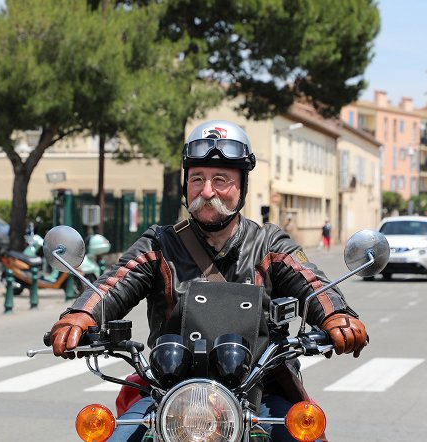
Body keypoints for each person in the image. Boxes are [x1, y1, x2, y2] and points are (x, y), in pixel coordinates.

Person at [50, 120, 368, 442]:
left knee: (306, 435)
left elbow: (310, 281)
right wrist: (82, 314)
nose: (206, 191)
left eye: (220, 180)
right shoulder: (159, 244)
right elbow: (115, 282)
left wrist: (335, 314)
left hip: (256, 396)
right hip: (167, 397)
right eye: (197, 179)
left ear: (242, 185)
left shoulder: (268, 244)